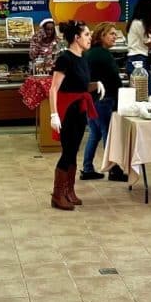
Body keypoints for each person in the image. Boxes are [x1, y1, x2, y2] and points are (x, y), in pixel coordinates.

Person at [48, 20, 104, 210]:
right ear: (76, 38)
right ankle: (57, 194)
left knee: (73, 151)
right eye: (87, 34)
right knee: (68, 152)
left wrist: (95, 85)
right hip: (68, 111)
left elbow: (78, 85)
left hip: (80, 110)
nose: (90, 38)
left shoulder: (82, 58)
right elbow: (54, 88)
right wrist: (53, 114)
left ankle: (68, 191)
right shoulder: (65, 58)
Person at [80, 22, 127, 182]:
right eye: (111, 34)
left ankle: (87, 168)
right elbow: (114, 80)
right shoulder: (104, 55)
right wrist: (122, 97)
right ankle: (114, 170)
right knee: (108, 134)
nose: (115, 37)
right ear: (102, 36)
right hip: (104, 100)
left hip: (91, 99)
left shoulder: (88, 53)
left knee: (95, 133)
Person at [126, 0, 151, 92]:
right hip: (138, 59)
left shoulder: (135, 22)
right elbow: (148, 42)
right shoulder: (140, 23)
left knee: (142, 91)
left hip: (136, 58)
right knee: (147, 91)